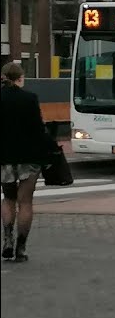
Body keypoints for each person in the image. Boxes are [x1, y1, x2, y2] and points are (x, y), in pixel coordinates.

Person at [1, 61, 56, 262]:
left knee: (8, 199)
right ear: (20, 78)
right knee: (25, 202)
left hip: (4, 157)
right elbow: (38, 129)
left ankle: (7, 238)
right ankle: (21, 248)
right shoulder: (30, 98)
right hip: (30, 158)